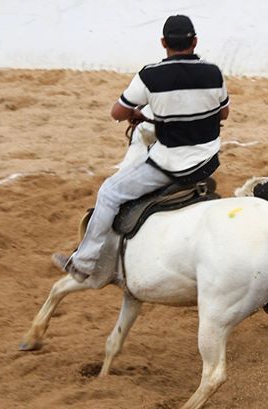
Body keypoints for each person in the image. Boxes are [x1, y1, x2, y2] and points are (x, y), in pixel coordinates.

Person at [53, 15, 230, 281]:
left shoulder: (150, 75)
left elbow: (117, 112)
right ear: (194, 42)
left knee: (110, 192)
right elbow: (223, 113)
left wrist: (139, 113)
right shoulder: (214, 72)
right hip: (207, 161)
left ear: (163, 43)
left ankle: (84, 263)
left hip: (172, 165)